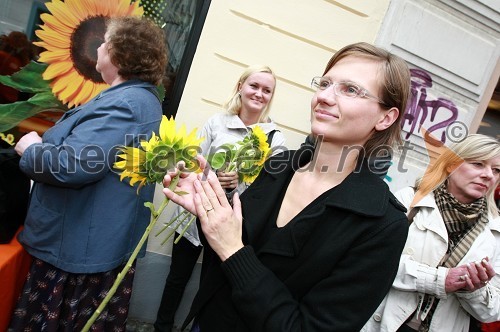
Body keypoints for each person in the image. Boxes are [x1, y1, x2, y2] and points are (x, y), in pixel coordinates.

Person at [162, 42, 411, 331]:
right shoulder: (278, 167)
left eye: (350, 90)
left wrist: (232, 248)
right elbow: (228, 252)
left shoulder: (382, 225)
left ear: (385, 117)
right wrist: (212, 212)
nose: (325, 98)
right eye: (326, 83)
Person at [9, 16, 167, 331]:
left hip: (77, 246)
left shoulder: (126, 103)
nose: (100, 47)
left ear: (120, 54)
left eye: (106, 42)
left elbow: (73, 166)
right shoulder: (135, 99)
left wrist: (31, 149)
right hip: (90, 240)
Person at [154, 65, 286, 332]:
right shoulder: (217, 123)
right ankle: (161, 327)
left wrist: (242, 180)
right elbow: (193, 162)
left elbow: (272, 187)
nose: (259, 93)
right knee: (176, 279)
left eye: (266, 90)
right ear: (241, 86)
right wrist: (202, 173)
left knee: (210, 287)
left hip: (230, 225)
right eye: (254, 86)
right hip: (194, 215)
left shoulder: (274, 138)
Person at [362, 134, 500, 332]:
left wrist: (474, 291)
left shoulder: (496, 230)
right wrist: (440, 280)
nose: (489, 175)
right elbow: (372, 262)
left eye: (496, 170)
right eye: (478, 164)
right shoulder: (409, 201)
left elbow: (493, 312)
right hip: (382, 323)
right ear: (451, 164)